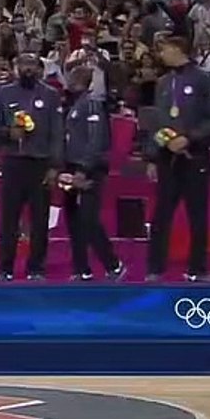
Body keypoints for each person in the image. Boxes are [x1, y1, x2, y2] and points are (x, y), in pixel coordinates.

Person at [145, 35, 210, 282]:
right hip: (167, 157)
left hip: (194, 156)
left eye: (164, 49)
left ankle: (197, 269)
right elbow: (156, 121)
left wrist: (189, 138)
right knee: (161, 214)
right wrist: (153, 156)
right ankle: (155, 269)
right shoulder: (163, 82)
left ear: (178, 49)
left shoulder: (204, 79)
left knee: (197, 214)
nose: (161, 54)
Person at [0, 53, 64, 281]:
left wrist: (55, 166)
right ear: (15, 67)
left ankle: (36, 268)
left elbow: (57, 133)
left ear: (40, 69)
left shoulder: (51, 95)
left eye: (32, 64)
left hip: (41, 164)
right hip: (13, 162)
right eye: (23, 64)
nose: (27, 68)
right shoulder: (3, 93)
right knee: (9, 219)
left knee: (40, 220)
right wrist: (8, 133)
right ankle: (5, 269)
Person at [60, 64, 126, 281]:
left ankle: (113, 265)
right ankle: (81, 269)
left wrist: (83, 169)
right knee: (74, 220)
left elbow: (96, 140)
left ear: (84, 81)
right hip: (71, 168)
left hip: (88, 170)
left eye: (75, 76)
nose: (70, 80)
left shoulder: (92, 105)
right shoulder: (74, 105)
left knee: (88, 218)